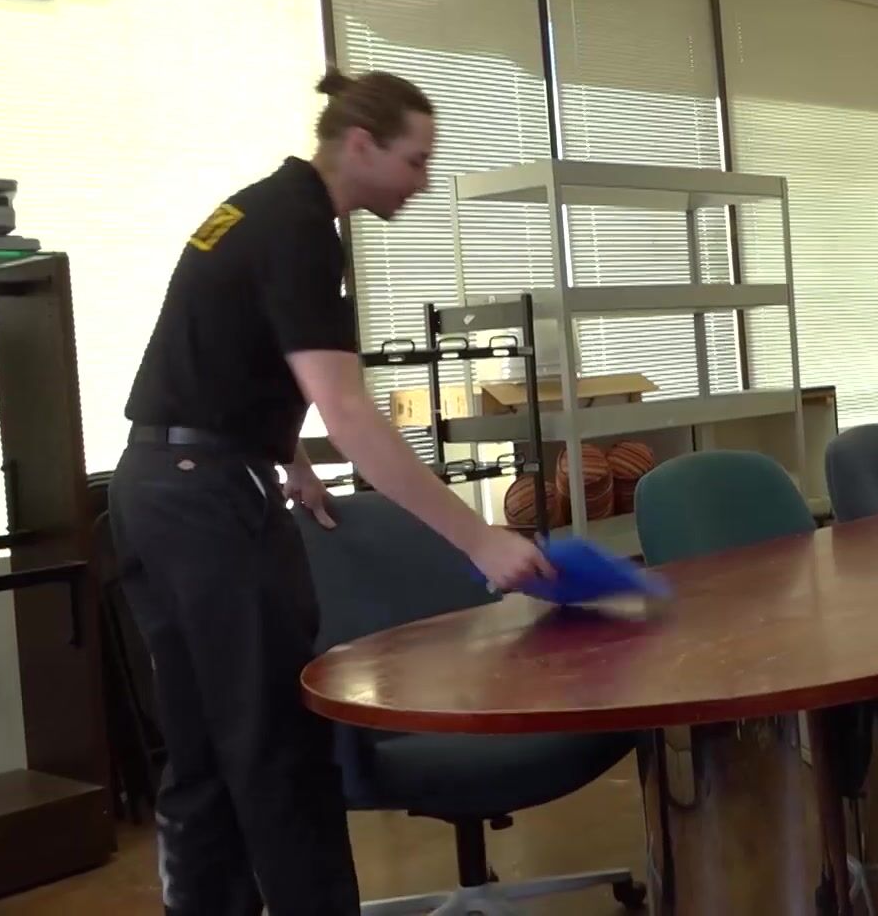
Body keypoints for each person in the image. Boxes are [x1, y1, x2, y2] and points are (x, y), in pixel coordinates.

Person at [108, 69, 554, 915]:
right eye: (415, 161)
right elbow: (348, 411)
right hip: (209, 505)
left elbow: (225, 353)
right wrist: (479, 538)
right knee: (279, 750)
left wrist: (288, 456)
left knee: (203, 755)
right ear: (359, 145)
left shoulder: (258, 209)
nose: (422, 182)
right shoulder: (302, 231)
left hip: (156, 489)